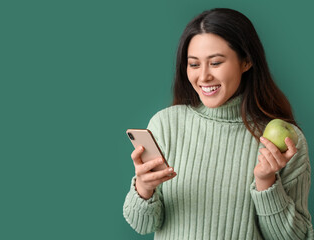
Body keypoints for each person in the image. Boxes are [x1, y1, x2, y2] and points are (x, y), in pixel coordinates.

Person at [123, 8, 314, 240]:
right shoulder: (166, 125)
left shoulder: (285, 142)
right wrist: (144, 188)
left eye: (215, 63)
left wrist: (266, 183)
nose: (203, 77)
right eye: (194, 64)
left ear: (246, 62)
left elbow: (296, 237)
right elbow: (142, 225)